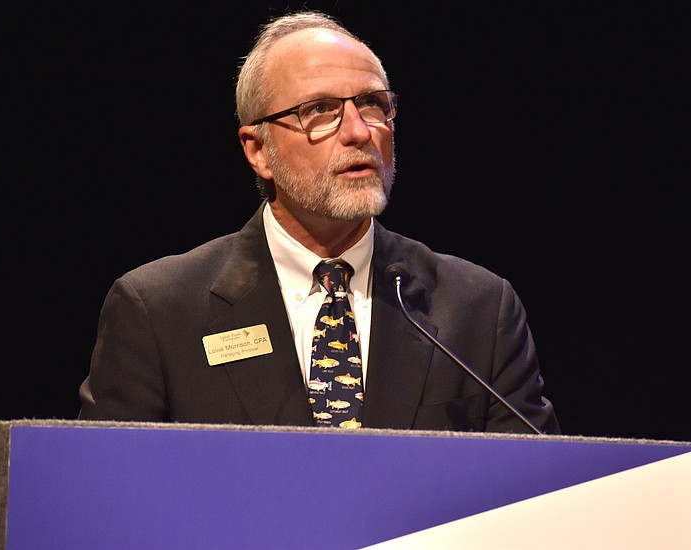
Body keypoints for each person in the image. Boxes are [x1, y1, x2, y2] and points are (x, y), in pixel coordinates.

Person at [78, 10, 559, 435]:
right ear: (258, 150)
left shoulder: (478, 308)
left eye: (373, 104)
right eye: (320, 110)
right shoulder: (159, 311)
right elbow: (106, 497)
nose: (358, 131)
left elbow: (539, 496)